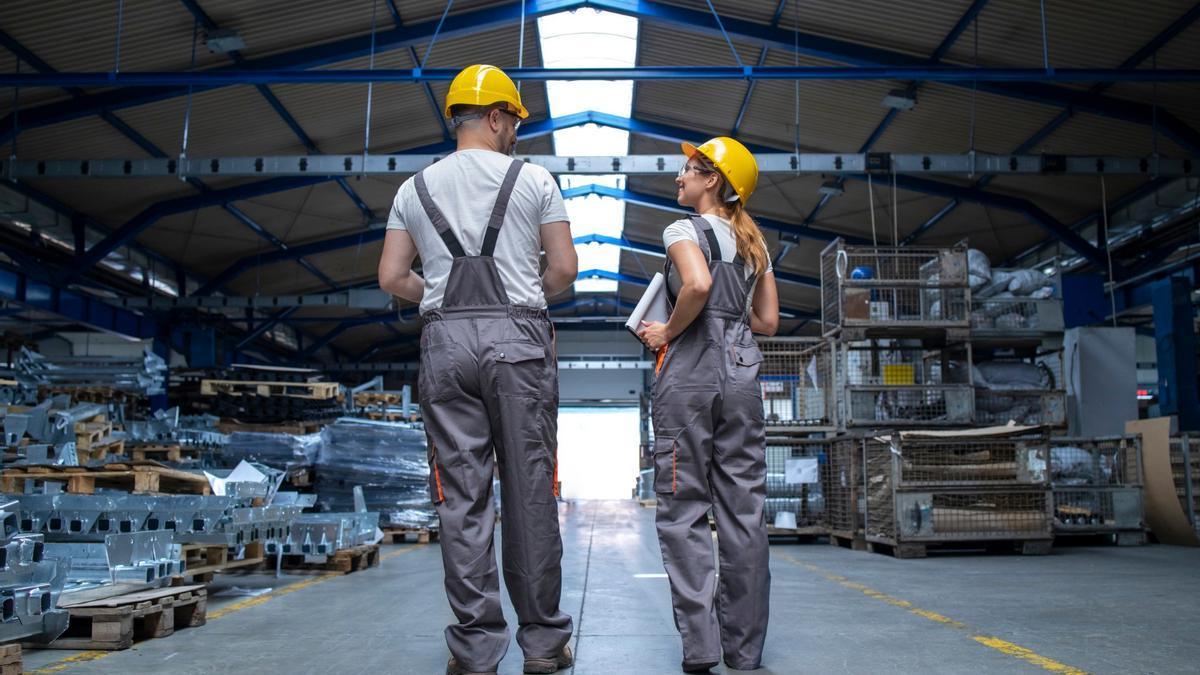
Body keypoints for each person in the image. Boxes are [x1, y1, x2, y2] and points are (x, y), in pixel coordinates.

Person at [377, 64, 578, 675]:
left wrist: (440, 294)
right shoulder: (535, 180)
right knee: (529, 494)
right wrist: (522, 295)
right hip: (517, 340)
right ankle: (542, 646)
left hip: (445, 346)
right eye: (514, 120)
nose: (515, 131)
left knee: (461, 500)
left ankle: (474, 649)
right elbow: (565, 271)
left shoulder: (413, 189)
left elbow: (391, 278)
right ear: (495, 117)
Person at [636, 136, 779, 673]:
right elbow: (766, 322)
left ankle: (700, 647)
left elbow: (694, 284)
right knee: (744, 513)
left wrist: (666, 333)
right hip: (742, 373)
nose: (679, 177)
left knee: (684, 509)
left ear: (713, 180)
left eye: (688, 170)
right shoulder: (755, 244)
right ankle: (744, 652)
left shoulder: (682, 230)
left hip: (691, 371)